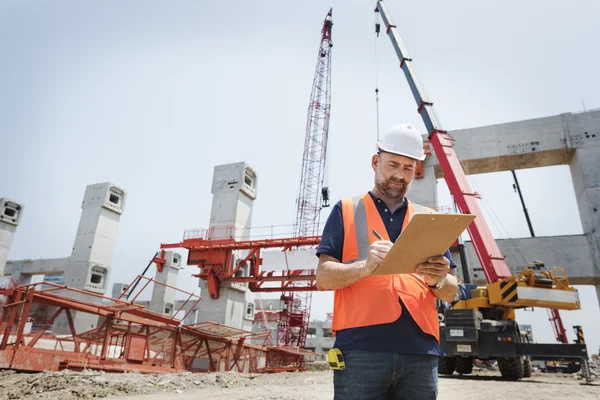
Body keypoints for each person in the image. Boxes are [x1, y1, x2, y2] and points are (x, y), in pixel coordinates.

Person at [315, 123, 459, 400]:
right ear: (375, 162)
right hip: (361, 350)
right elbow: (323, 277)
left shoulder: (427, 218)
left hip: (421, 351)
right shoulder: (346, 209)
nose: (399, 175)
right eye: (393, 165)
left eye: (408, 168)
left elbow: (451, 290)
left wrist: (438, 278)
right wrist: (364, 267)